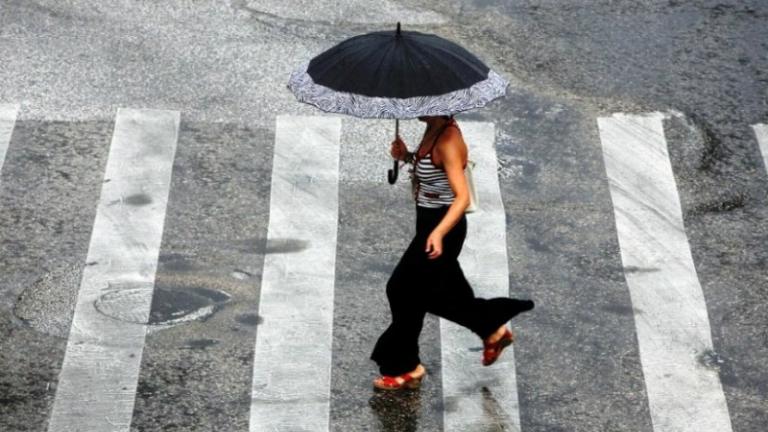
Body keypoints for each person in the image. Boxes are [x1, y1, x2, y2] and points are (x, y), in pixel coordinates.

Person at [370, 114, 535, 391]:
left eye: (420, 98)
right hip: (429, 224)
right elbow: (432, 171)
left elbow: (462, 197)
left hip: (443, 229)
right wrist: (407, 156)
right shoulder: (433, 127)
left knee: (401, 290)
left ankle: (405, 366)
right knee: (444, 293)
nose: (413, 105)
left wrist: (438, 233)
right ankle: (492, 330)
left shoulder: (447, 140)